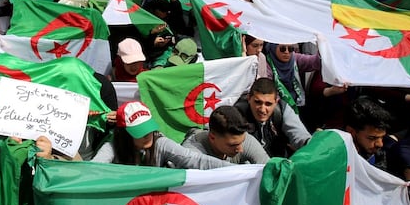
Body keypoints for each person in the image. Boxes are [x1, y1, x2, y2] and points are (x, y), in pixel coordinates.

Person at [91, 101, 232, 169]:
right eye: (140, 131)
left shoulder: (160, 143)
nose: (148, 134)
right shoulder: (111, 146)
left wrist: (236, 169)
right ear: (124, 134)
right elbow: (94, 169)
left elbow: (195, 159)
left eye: (149, 128)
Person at [234, 78, 311, 157]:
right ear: (249, 99)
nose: (262, 110)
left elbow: (299, 134)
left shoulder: (282, 109)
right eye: (258, 102)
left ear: (276, 102)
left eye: (268, 104)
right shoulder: (237, 114)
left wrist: (311, 143)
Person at [182, 106, 270, 164]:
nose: (240, 149)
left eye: (242, 142)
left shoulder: (241, 140)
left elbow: (270, 170)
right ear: (212, 137)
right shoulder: (191, 154)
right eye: (233, 145)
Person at [261, 42, 321, 110]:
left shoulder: (294, 58)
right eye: (282, 49)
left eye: (290, 49)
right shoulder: (267, 65)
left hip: (298, 103)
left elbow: (314, 62)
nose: (287, 52)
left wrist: (322, 49)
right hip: (277, 106)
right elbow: (268, 90)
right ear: (273, 48)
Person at [344, 97, 395, 170]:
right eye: (372, 138)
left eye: (382, 137)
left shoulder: (388, 150)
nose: (380, 144)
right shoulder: (335, 156)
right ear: (351, 131)